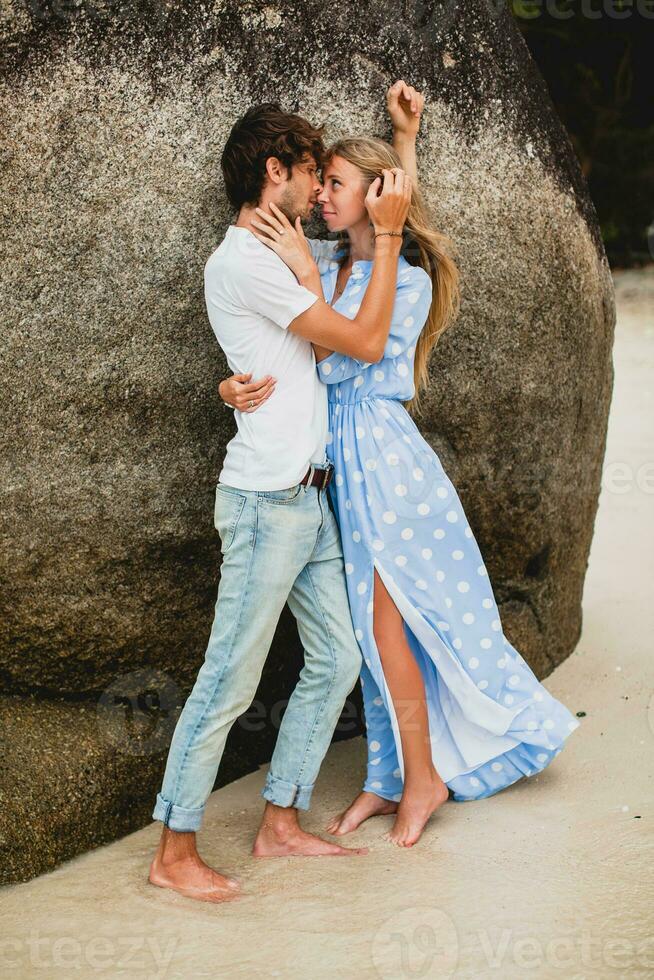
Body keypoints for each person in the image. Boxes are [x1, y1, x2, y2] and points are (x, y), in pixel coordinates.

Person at [218, 81, 581, 848]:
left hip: (384, 467)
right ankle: (393, 776)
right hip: (341, 468)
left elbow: (350, 355)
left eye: (338, 185)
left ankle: (422, 779)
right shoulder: (326, 259)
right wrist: (404, 139)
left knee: (389, 633)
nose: (323, 195)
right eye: (324, 181)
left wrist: (392, 181)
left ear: (375, 202)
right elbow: (284, 341)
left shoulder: (403, 282)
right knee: (379, 635)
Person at [149, 96, 413, 902]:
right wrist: (383, 237)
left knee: (334, 658)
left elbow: (298, 354)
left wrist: (405, 145)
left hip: (308, 496)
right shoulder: (247, 261)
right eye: (309, 173)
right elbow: (364, 342)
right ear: (277, 172)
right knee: (228, 678)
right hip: (267, 500)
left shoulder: (278, 258)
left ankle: (279, 823)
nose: (316, 192)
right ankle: (174, 848)